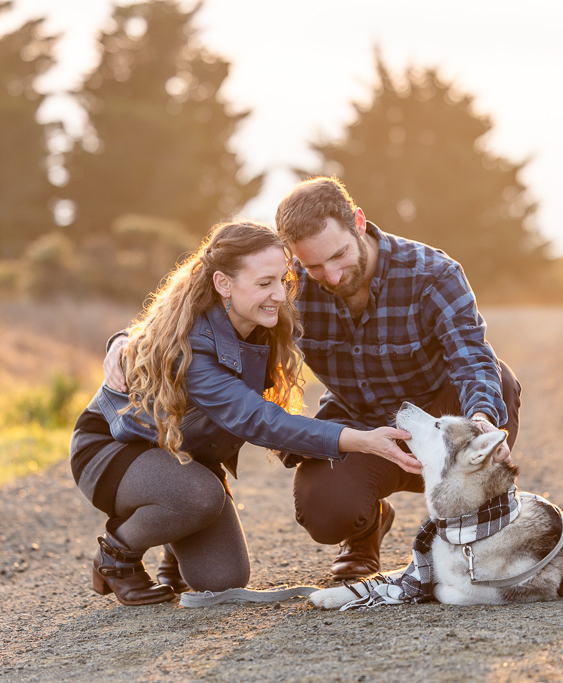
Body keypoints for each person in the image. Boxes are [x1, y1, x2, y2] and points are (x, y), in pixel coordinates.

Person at [105, 177, 521, 581]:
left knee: (498, 381)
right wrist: (127, 341)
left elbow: (472, 358)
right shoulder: (287, 287)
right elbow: (205, 310)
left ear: (358, 222)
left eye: (339, 255)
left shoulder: (433, 273)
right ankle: (364, 529)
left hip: (436, 413)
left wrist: (482, 418)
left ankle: (478, 537)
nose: (333, 276)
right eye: (314, 265)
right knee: (324, 512)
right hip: (358, 421)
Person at [72, 220, 419, 606]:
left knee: (223, 578)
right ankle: (117, 557)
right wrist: (363, 441)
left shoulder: (261, 316)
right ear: (223, 284)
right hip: (115, 448)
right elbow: (257, 419)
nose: (279, 295)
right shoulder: (195, 346)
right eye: (264, 284)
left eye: (282, 281)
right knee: (200, 497)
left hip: (183, 455)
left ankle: (174, 538)